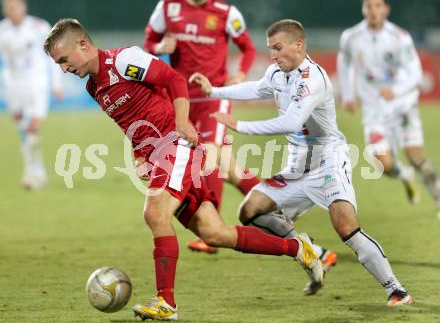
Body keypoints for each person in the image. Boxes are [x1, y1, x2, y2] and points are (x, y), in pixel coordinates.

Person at [44, 18, 324, 321]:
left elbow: (173, 79)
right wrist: (140, 156)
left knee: (155, 214)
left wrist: (181, 123)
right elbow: (131, 123)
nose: (63, 68)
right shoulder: (93, 86)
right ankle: (297, 249)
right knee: (214, 233)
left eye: (63, 59)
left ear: (83, 44)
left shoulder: (124, 60)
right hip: (158, 157)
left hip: (176, 145)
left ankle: (166, 303)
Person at [190, 19, 414, 306]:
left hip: (328, 162)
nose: (272, 55)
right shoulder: (277, 72)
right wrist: (214, 92)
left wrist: (239, 125)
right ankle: (306, 248)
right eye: (270, 49)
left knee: (345, 226)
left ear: (299, 44)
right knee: (250, 209)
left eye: (278, 48)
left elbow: (291, 121)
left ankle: (396, 289)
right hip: (296, 166)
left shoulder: (313, 79)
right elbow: (257, 88)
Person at [144, 0, 260, 253]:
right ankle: (277, 204)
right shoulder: (167, 8)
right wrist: (161, 47)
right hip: (181, 99)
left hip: (213, 96)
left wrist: (240, 73)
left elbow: (248, 48)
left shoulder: (225, 12)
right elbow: (149, 41)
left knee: (207, 155)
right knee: (228, 168)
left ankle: (212, 230)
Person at [337, 0, 440, 213]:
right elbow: (344, 61)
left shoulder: (399, 37)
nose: (373, 10)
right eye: (369, 6)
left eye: (378, 5)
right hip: (374, 110)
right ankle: (404, 174)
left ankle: (438, 194)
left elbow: (415, 72)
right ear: (363, 9)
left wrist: (395, 90)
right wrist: (347, 94)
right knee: (382, 163)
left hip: (402, 105)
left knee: (415, 155)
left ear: (386, 9)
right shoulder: (351, 37)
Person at [0, 0, 63, 189]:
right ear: (5, 10)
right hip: (13, 85)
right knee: (23, 128)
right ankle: (35, 169)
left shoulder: (39, 27)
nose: (13, 12)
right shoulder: (2, 30)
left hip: (36, 82)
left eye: (16, 7)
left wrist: (56, 83)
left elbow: (53, 55)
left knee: (32, 125)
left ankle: (32, 173)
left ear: (23, 7)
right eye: (9, 8)